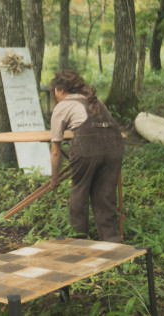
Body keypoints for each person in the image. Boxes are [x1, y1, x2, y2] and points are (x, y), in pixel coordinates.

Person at [49, 70, 124, 243]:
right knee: (106, 194)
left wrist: (54, 177)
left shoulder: (62, 106)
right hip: (115, 146)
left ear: (60, 90)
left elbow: (55, 149)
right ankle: (111, 239)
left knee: (80, 191)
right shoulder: (94, 100)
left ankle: (79, 240)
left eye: (54, 91)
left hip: (87, 148)